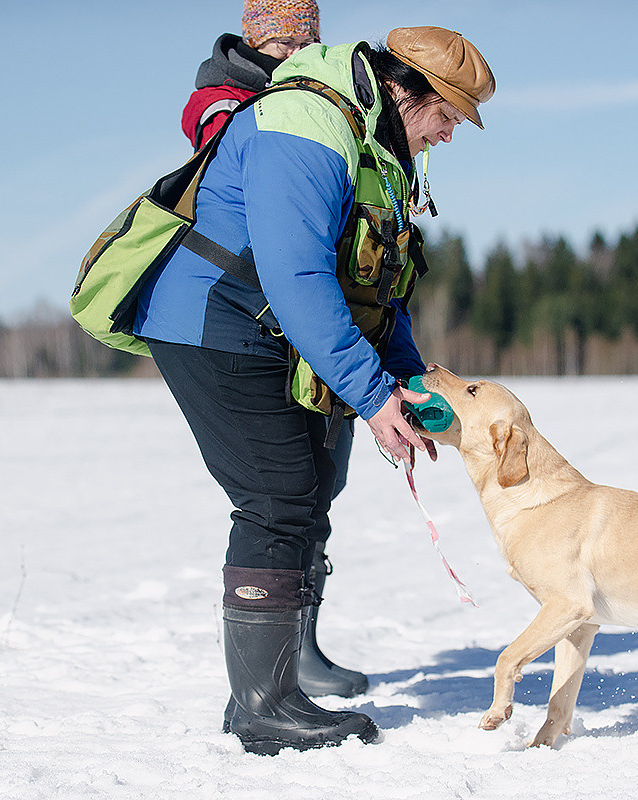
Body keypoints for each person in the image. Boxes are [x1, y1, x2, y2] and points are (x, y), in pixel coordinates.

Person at [134, 26, 495, 754]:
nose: (450, 135)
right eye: (448, 116)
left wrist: (405, 384)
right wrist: (370, 396)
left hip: (270, 326)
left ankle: (273, 690)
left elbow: (376, 288)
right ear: (404, 89)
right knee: (277, 494)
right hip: (213, 317)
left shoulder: (384, 150)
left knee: (307, 488)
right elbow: (297, 277)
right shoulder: (308, 123)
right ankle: (264, 707)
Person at [182, 0, 368, 707]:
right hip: (247, 313)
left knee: (319, 486)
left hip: (303, 321)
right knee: (278, 496)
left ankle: (299, 646)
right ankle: (267, 685)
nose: (296, 48)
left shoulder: (319, 102)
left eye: (306, 37)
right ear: (258, 36)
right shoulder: (225, 99)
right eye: (283, 37)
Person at [181, 0, 322, 150]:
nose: (296, 53)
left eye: (307, 44)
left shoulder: (309, 86)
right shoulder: (223, 103)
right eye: (286, 42)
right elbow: (225, 167)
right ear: (257, 40)